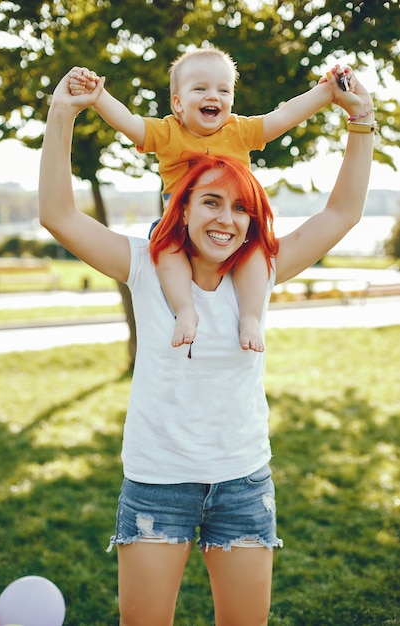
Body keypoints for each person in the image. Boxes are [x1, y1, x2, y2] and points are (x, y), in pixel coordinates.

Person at [39, 65, 375, 626]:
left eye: (241, 208)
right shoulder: (144, 264)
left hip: (243, 481)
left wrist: (360, 120)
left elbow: (341, 212)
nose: (227, 219)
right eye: (212, 203)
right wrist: (63, 113)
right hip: (157, 482)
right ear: (184, 206)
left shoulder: (263, 268)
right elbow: (57, 214)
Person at [68, 47, 342, 353]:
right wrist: (97, 96)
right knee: (166, 249)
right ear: (178, 103)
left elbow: (284, 115)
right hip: (177, 223)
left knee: (255, 254)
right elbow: (129, 123)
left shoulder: (240, 130)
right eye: (200, 88)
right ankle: (185, 309)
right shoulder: (167, 131)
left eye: (223, 90)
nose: (213, 96)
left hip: (231, 224)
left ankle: (251, 318)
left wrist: (326, 92)